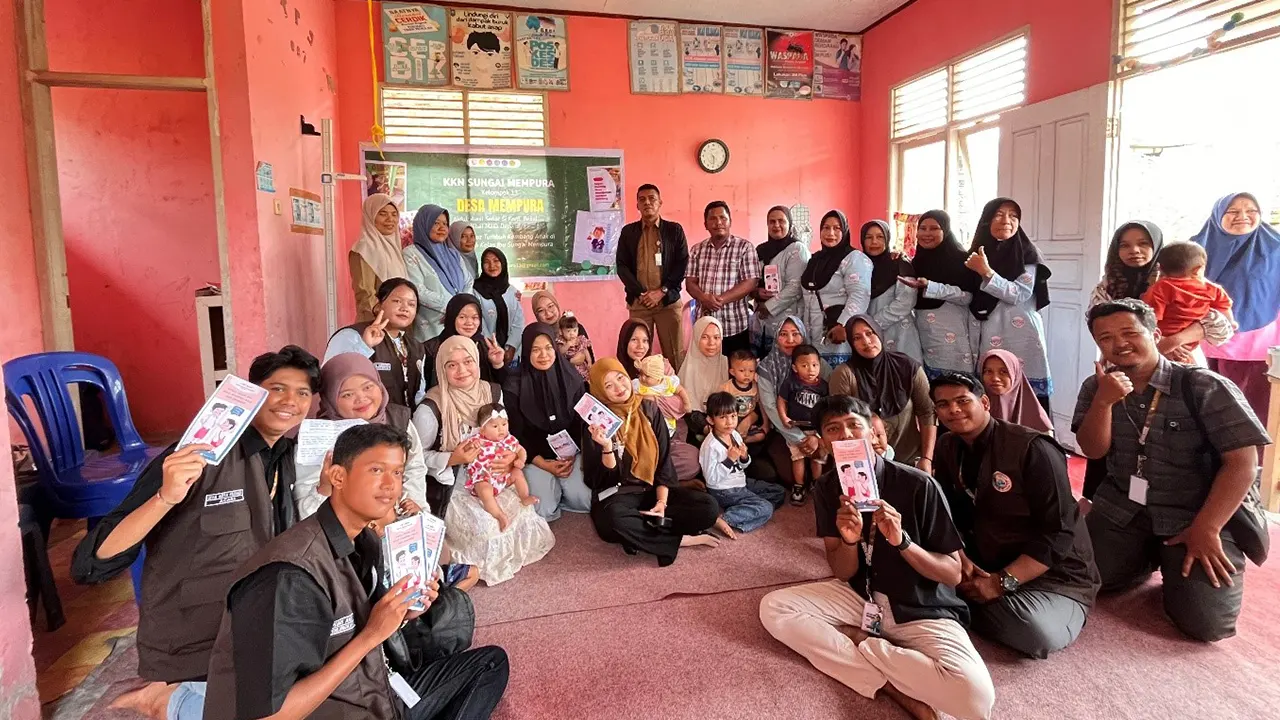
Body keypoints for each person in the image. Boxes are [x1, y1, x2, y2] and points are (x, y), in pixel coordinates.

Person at [71, 346, 319, 718]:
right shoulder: (195, 456)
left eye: (302, 393)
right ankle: (164, 698)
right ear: (253, 394)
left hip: (252, 624)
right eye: (277, 388)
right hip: (195, 636)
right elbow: (92, 561)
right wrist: (165, 497)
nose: (290, 401)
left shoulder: (287, 456)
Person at [202, 423, 509, 719]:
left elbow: (361, 624)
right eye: (376, 470)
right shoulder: (287, 577)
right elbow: (270, 715)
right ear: (337, 476)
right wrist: (371, 636)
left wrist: (402, 614)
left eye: (397, 472)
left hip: (374, 689)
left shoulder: (363, 541)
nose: (391, 485)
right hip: (341, 707)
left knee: (490, 664)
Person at [759, 395, 995, 720]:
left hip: (918, 605)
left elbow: (953, 574)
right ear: (824, 442)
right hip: (861, 596)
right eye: (833, 429)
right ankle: (891, 687)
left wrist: (903, 543)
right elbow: (843, 573)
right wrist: (848, 540)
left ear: (872, 431)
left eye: (853, 425)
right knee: (774, 608)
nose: (845, 435)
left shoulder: (919, 485)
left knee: (975, 699)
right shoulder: (828, 488)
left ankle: (861, 643)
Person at [1073, 299, 1271, 642]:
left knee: (1206, 625)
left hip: (1195, 513)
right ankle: (1147, 556)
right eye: (1105, 338)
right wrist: (1103, 402)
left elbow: (1243, 463)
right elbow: (1093, 450)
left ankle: (1171, 556)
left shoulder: (1202, 385)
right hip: (1124, 509)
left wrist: (1208, 528)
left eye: (1129, 332)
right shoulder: (1097, 387)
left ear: (1155, 334)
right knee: (1078, 577)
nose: (1119, 343)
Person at [930, 373, 1100, 659]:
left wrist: (1001, 582)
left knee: (1035, 633)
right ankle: (963, 598)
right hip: (987, 560)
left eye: (962, 401)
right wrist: (960, 557)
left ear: (985, 403)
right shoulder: (947, 446)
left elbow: (1058, 533)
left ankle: (955, 603)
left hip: (1053, 574)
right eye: (943, 404)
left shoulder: (1033, 448)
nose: (954, 410)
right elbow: (949, 511)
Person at [416, 337, 553, 585]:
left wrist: (511, 457)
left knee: (522, 512)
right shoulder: (431, 408)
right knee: (487, 529)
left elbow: (504, 433)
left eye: (468, 361)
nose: (462, 370)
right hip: (455, 484)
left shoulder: (492, 392)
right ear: (441, 368)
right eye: (452, 365)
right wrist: (452, 458)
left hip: (495, 475)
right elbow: (414, 459)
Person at [581, 358, 721, 565]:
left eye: (620, 378)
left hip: (651, 490)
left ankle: (641, 533)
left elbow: (664, 462)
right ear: (600, 391)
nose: (619, 388)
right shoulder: (596, 423)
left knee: (708, 507)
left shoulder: (649, 409)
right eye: (608, 385)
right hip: (618, 496)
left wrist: (661, 503)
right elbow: (597, 480)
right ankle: (678, 539)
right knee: (612, 522)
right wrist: (607, 447)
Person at [294, 352, 429, 520]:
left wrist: (410, 504)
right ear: (330, 398)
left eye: (368, 387)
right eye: (347, 394)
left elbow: (414, 468)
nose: (361, 398)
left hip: (393, 524)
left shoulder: (398, 420)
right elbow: (305, 510)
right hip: (340, 527)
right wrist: (324, 489)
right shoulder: (315, 436)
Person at [1191, 192, 1280, 426]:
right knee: (1207, 406)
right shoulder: (1194, 248)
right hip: (1203, 338)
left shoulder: (1275, 247)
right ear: (1218, 214)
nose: (1243, 216)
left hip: (1257, 342)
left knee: (1252, 410)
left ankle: (1252, 450)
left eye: (1251, 210)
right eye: (1233, 211)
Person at [965, 198, 1052, 412]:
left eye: (1013, 216)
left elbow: (1019, 293)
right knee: (992, 395)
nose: (1006, 220)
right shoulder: (976, 254)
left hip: (1021, 335)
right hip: (988, 333)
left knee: (1024, 398)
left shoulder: (1027, 254)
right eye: (999, 214)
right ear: (987, 220)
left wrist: (986, 272)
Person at [504, 323, 592, 521]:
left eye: (548, 348)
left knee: (585, 500)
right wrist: (543, 464)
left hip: (570, 454)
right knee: (542, 508)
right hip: (535, 456)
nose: (543, 355)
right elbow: (516, 433)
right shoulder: (514, 386)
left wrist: (572, 455)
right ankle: (553, 489)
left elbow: (581, 423)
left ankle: (561, 489)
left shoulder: (572, 378)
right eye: (535, 350)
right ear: (527, 351)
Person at [830, 315, 937, 469]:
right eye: (857, 338)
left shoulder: (907, 367)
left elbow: (927, 412)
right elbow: (840, 424)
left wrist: (926, 459)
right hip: (865, 465)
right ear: (851, 344)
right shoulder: (844, 374)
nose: (866, 341)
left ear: (879, 333)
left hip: (910, 461)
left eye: (870, 333)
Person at [898, 210, 981, 378]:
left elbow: (967, 297)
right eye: (922, 228)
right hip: (923, 333)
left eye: (934, 228)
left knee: (955, 382)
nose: (927, 233)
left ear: (946, 230)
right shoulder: (917, 261)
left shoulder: (962, 260)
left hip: (952, 335)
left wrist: (931, 286)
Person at [615, 320, 701, 481]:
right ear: (624, 341)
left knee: (692, 459)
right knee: (625, 458)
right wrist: (643, 401)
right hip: (635, 441)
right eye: (634, 340)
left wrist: (652, 401)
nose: (640, 346)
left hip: (667, 438)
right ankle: (662, 479)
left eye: (645, 340)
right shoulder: (617, 372)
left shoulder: (662, 366)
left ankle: (648, 477)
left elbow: (680, 406)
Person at [616, 184, 689, 368]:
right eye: (642, 199)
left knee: (674, 353)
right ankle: (639, 387)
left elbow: (682, 264)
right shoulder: (628, 232)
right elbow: (622, 266)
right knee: (638, 354)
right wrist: (641, 293)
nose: (647, 202)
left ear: (660, 202)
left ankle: (676, 386)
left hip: (668, 303)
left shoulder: (674, 230)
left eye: (652, 198)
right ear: (637, 205)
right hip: (639, 303)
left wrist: (662, 291)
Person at [325, 278, 427, 411]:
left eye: (411, 304)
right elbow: (331, 380)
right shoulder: (351, 335)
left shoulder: (417, 347)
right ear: (378, 305)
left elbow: (419, 394)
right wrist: (364, 346)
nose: (405, 308)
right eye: (397, 301)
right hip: (360, 420)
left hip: (402, 420)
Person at [757, 316, 831, 488]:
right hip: (784, 430)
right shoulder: (767, 367)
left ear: (803, 335)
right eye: (783, 334)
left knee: (824, 466)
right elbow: (771, 406)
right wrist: (800, 438)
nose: (790, 340)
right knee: (790, 476)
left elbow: (832, 399)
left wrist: (818, 437)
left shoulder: (816, 362)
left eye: (795, 334)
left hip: (816, 429)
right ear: (776, 337)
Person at [700, 391, 785, 537]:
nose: (729, 422)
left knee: (778, 492)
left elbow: (743, 467)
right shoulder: (710, 446)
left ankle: (748, 508)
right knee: (766, 508)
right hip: (724, 490)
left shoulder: (734, 434)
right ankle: (724, 519)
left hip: (741, 482)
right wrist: (729, 460)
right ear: (711, 420)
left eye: (733, 416)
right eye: (723, 417)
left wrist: (744, 457)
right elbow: (711, 479)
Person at [686, 201, 764, 356]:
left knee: (737, 368)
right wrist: (703, 298)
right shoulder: (697, 250)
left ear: (730, 221)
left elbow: (750, 282)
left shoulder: (744, 247)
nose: (718, 222)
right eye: (713, 219)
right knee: (707, 369)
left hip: (735, 325)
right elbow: (690, 283)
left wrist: (719, 300)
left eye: (723, 218)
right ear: (705, 224)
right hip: (706, 326)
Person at [800, 210, 873, 366]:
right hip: (813, 332)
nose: (830, 233)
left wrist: (843, 325)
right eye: (826, 228)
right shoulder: (816, 259)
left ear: (844, 231)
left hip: (838, 333)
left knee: (839, 377)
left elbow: (860, 295)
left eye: (837, 228)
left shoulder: (854, 259)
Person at [1142, 242, 1236, 353]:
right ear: (1198, 270)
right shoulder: (1212, 289)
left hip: (1162, 339)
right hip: (1191, 343)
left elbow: (1149, 318)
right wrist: (1231, 322)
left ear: (1160, 268)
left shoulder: (1160, 288)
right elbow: (1224, 307)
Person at [404, 204, 472, 341]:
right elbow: (417, 290)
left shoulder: (453, 255)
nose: (442, 228)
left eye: (445, 224)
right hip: (432, 330)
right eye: (436, 223)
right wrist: (454, 307)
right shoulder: (411, 253)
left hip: (460, 326)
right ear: (424, 224)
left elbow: (468, 282)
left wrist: (464, 307)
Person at [465, 403, 536, 532]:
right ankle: (499, 515)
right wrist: (471, 446)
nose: (501, 429)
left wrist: (521, 460)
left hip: (503, 478)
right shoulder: (478, 440)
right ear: (482, 430)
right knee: (483, 488)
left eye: (504, 424)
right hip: (485, 477)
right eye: (495, 426)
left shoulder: (509, 440)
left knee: (517, 473)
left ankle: (524, 496)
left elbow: (521, 450)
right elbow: (464, 451)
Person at [753, 205, 811, 358]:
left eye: (781, 221)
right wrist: (756, 292)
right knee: (764, 363)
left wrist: (769, 306)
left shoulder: (797, 249)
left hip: (787, 319)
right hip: (763, 320)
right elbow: (753, 280)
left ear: (789, 224)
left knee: (787, 362)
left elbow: (795, 287)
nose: (776, 225)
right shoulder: (761, 250)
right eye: (772, 222)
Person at [861, 219, 922, 362]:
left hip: (899, 333)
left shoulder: (900, 264)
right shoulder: (859, 266)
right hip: (867, 334)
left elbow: (906, 302)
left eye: (880, 237)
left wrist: (873, 324)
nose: (874, 242)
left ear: (887, 239)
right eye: (868, 237)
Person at [776, 343, 829, 504]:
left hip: (816, 429)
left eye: (814, 365)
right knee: (797, 457)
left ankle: (817, 483)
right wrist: (784, 417)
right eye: (804, 366)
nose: (810, 369)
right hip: (797, 428)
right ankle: (798, 486)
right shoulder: (790, 383)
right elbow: (781, 401)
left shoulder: (823, 386)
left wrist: (821, 431)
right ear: (795, 367)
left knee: (817, 458)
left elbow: (827, 408)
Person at [422, 293, 508, 389]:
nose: (469, 323)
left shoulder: (487, 346)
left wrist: (497, 364)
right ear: (452, 318)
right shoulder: (430, 349)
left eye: (474, 317)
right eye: (462, 317)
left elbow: (500, 386)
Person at [350, 193, 409, 322]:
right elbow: (365, 294)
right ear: (370, 216)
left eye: (394, 214)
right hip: (375, 322)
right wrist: (382, 319)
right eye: (383, 214)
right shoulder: (364, 249)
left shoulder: (395, 247)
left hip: (397, 322)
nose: (390, 219)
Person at [979, 349, 1054, 436]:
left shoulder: (1039, 423)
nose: (995, 378)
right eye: (988, 371)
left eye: (1003, 372)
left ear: (1015, 375)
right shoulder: (973, 409)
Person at [473, 247, 525, 366]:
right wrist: (493, 347)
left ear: (503, 263)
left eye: (496, 261)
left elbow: (518, 322)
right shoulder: (475, 291)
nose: (492, 266)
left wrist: (511, 348)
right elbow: (479, 322)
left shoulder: (512, 291)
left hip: (512, 355)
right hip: (488, 352)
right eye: (487, 262)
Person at [678, 315, 730, 417]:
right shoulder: (687, 368)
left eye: (716, 337)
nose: (711, 343)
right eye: (704, 337)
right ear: (696, 338)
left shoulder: (728, 364)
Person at [531, 288, 595, 364]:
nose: (548, 313)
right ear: (536, 315)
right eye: (541, 310)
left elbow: (591, 360)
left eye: (550, 306)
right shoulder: (538, 336)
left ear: (556, 305)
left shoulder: (575, 328)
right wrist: (570, 362)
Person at [634, 355, 691, 436]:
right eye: (641, 374)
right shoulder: (637, 385)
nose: (643, 378)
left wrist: (686, 403)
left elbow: (681, 391)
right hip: (648, 420)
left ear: (658, 377)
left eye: (647, 376)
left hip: (667, 422)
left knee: (664, 433)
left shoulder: (668, 383)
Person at [555, 313, 592, 378]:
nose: (572, 334)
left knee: (587, 377)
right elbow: (560, 352)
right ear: (561, 331)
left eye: (574, 330)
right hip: (569, 368)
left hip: (581, 367)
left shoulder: (580, 339)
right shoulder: (561, 341)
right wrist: (567, 345)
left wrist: (589, 362)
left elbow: (585, 351)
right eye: (568, 331)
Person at [449, 220, 480, 287]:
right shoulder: (451, 261)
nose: (469, 240)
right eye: (463, 236)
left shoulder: (471, 257)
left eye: (472, 236)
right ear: (454, 238)